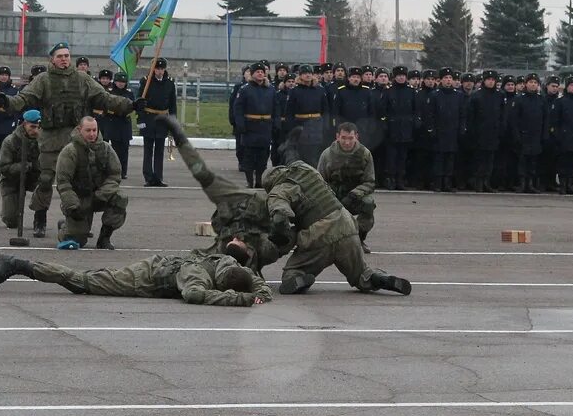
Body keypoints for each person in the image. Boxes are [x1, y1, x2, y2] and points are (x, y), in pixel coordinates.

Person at [0, 42, 138, 201]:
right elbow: (24, 98)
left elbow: (105, 99)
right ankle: (40, 215)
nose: (64, 59)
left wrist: (130, 105)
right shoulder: (43, 80)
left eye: (66, 56)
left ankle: (75, 216)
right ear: (52, 59)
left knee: (80, 181)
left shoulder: (83, 79)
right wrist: (6, 102)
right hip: (51, 138)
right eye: (60, 56)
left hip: (76, 138)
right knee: (45, 180)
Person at [262, 160, 411, 296]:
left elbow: (280, 217)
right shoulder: (305, 169)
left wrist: (280, 238)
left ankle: (299, 279)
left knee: (292, 272)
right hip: (347, 226)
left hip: (319, 234)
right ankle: (379, 278)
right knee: (361, 274)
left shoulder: (278, 191)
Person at [165, 115, 290, 274]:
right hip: (256, 205)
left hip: (231, 202)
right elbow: (287, 228)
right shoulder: (265, 249)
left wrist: (178, 137)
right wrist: (281, 230)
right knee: (287, 203)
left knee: (202, 174)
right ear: (248, 251)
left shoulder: (218, 252)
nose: (236, 238)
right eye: (238, 241)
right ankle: (290, 156)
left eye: (233, 241)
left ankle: (179, 135)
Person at [0, 251, 272, 306]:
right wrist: (242, 300)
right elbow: (194, 295)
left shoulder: (229, 263)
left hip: (156, 269)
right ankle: (17, 264)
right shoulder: (198, 276)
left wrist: (259, 293)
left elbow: (256, 282)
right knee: (81, 282)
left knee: (82, 282)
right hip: (141, 279)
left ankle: (18, 265)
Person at [54, 116, 127, 249]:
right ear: (79, 130)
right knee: (77, 242)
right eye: (88, 130)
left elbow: (115, 175)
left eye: (94, 130)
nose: (92, 134)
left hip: (100, 196)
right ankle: (65, 226)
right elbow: (63, 182)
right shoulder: (70, 151)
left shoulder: (106, 149)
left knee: (120, 198)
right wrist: (72, 205)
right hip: (79, 200)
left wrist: (101, 195)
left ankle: (104, 238)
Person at [317, 122, 377, 253]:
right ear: (337, 136)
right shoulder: (327, 155)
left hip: (354, 197)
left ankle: (359, 239)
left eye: (350, 138)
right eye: (343, 138)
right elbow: (320, 182)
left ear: (357, 137)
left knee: (368, 203)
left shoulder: (365, 154)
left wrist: (354, 194)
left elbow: (370, 182)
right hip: (333, 197)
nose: (347, 142)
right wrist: (329, 197)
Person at [0, 109, 50, 235]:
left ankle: (40, 221)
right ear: (24, 124)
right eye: (32, 127)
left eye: (38, 127)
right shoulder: (10, 141)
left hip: (35, 177)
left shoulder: (43, 141)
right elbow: (4, 167)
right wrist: (23, 166)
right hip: (13, 179)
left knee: (45, 183)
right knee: (11, 221)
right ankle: (10, 211)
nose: (35, 131)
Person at [232, 62, 275, 188]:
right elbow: (238, 109)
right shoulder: (245, 89)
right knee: (249, 157)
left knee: (263, 157)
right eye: (257, 72)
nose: (260, 73)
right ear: (252, 74)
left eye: (262, 72)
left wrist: (275, 124)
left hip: (265, 127)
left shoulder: (270, 89)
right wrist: (240, 125)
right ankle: (250, 181)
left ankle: (259, 181)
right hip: (250, 127)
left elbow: (275, 108)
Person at [137, 56, 177, 186]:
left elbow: (172, 104)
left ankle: (158, 177)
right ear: (153, 69)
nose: (159, 71)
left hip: (162, 120)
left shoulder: (170, 83)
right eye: (157, 68)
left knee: (159, 150)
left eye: (161, 69)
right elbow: (140, 102)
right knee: (148, 149)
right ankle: (148, 177)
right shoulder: (146, 81)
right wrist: (140, 118)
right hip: (149, 118)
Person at [466, 69, 506, 193]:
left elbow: (503, 115)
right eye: (489, 79)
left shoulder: (500, 95)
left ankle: (486, 182)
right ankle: (477, 182)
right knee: (479, 159)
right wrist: (472, 132)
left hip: (493, 133)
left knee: (490, 160)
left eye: (493, 80)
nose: (491, 82)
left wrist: (500, 130)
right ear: (484, 80)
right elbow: (470, 116)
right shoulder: (476, 95)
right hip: (479, 133)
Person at [284, 64, 328, 168]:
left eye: (309, 73)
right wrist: (291, 127)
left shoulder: (320, 90)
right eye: (304, 73)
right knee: (301, 153)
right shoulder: (294, 91)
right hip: (300, 124)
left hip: (316, 125)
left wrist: (325, 126)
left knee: (314, 153)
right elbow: (289, 111)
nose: (307, 75)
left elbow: (325, 110)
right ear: (300, 76)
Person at [383, 65, 417, 189]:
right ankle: (390, 178)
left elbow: (415, 110)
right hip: (392, 128)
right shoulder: (388, 91)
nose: (401, 78)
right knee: (391, 156)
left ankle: (400, 179)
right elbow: (384, 110)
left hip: (406, 129)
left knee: (403, 157)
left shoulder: (411, 91)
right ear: (395, 77)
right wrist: (385, 124)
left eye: (403, 76)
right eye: (399, 76)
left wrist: (413, 123)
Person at [512, 73, 546, 193]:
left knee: (533, 161)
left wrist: (544, 135)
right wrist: (516, 135)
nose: (533, 84)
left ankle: (531, 183)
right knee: (522, 161)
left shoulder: (541, 99)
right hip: (523, 135)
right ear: (526, 84)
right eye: (531, 82)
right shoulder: (519, 99)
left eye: (535, 83)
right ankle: (522, 183)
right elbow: (514, 119)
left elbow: (545, 119)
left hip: (536, 135)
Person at [106, 71, 134, 179]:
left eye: (123, 82)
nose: (121, 84)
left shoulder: (129, 93)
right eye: (119, 81)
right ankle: (113, 171)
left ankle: (123, 171)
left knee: (124, 149)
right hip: (113, 122)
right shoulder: (110, 92)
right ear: (115, 82)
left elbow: (132, 105)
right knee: (113, 150)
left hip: (125, 123)